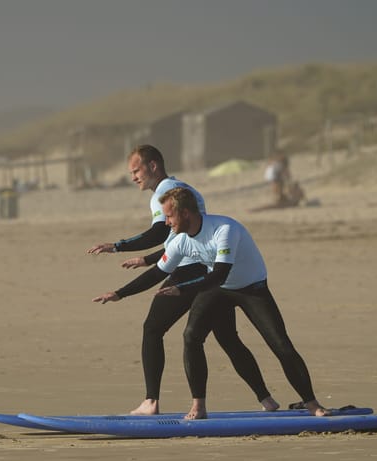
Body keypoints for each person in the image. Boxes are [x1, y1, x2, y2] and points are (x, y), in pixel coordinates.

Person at [95, 187, 330, 419]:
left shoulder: (224, 230)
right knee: (191, 336)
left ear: (185, 213)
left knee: (280, 344)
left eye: (169, 216)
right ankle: (199, 406)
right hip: (219, 289)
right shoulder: (180, 241)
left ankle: (312, 404)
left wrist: (182, 288)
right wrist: (119, 293)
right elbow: (158, 273)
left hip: (252, 289)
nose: (166, 222)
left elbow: (219, 273)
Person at [89, 145, 279, 415]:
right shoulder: (183, 189)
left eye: (136, 171)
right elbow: (180, 237)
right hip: (206, 268)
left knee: (153, 329)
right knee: (227, 337)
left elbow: (160, 233)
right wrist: (149, 259)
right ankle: (266, 399)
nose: (133, 177)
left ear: (153, 166)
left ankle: (151, 401)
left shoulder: (164, 193)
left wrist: (118, 246)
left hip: (188, 269)